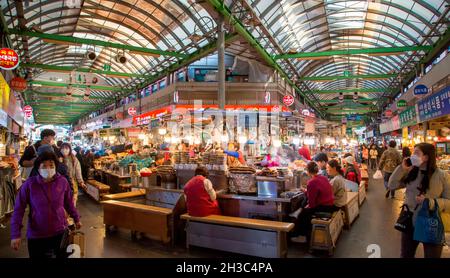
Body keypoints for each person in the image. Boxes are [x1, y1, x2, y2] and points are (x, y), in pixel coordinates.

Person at [10, 152, 81, 258]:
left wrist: (76, 218)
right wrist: (15, 234)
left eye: (51, 165)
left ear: (56, 166)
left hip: (60, 233)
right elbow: (18, 210)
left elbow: (68, 203)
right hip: (37, 236)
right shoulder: (29, 184)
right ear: (38, 168)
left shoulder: (63, 182)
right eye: (44, 165)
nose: (48, 168)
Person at [388, 143, 450, 258]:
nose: (412, 156)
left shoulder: (442, 176)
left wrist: (429, 202)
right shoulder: (411, 172)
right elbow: (391, 185)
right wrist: (401, 168)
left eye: (416, 153)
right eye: (413, 152)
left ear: (426, 157)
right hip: (410, 221)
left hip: (432, 224)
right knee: (406, 255)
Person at [291, 162, 335, 243]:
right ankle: (299, 212)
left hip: (324, 207)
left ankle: (302, 236)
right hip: (331, 205)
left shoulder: (311, 182)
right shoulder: (323, 178)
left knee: (303, 215)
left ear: (307, 171)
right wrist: (305, 191)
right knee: (304, 208)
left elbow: (312, 203)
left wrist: (304, 208)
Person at [60, 143, 86, 227]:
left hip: (72, 185)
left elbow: (78, 171)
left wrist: (81, 182)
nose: (65, 149)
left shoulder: (74, 159)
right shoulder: (57, 159)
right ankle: (64, 224)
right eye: (63, 148)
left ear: (70, 149)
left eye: (67, 148)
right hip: (59, 187)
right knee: (62, 207)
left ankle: (70, 225)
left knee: (71, 205)